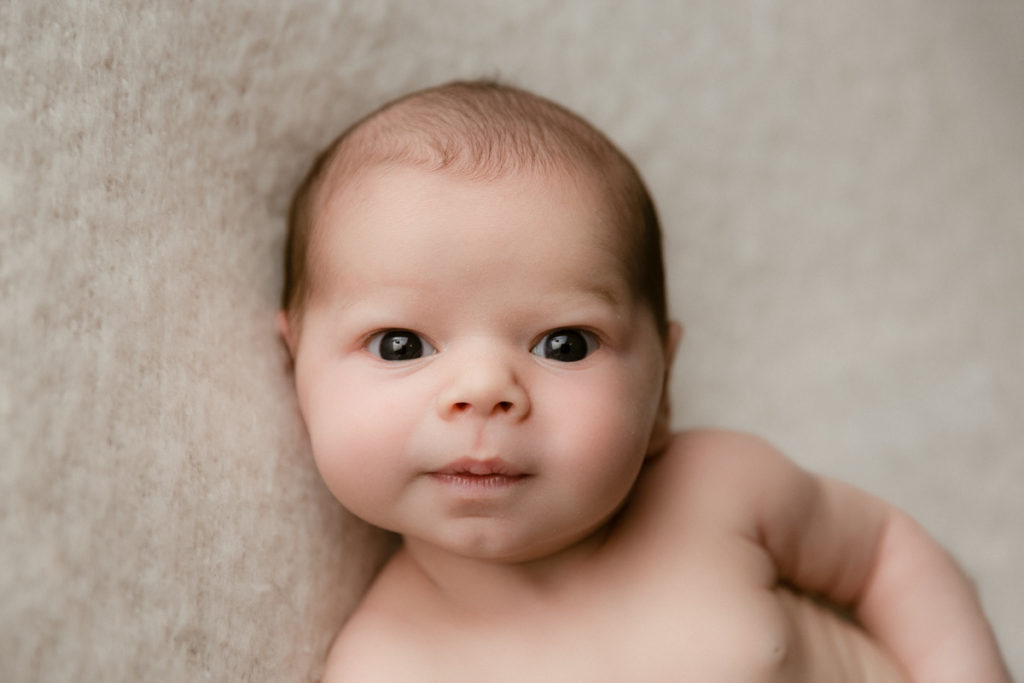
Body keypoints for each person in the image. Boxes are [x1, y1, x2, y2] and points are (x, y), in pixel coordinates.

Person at [277, 80, 1009, 682]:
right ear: (294, 363)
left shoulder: (717, 487)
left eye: (565, 344)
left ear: (661, 387)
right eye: (400, 343)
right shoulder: (388, 665)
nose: (483, 389)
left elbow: (886, 554)